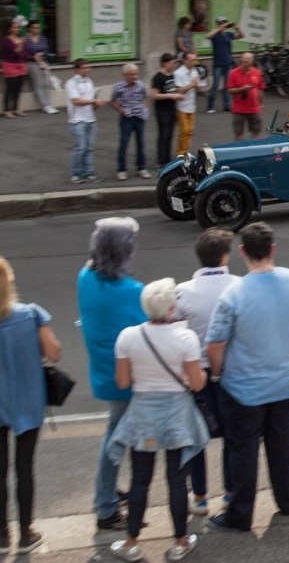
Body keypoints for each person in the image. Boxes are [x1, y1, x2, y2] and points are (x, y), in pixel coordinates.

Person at [205, 222, 289, 532]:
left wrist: (218, 374)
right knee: (282, 446)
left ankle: (240, 514)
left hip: (244, 388)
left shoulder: (233, 294)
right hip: (287, 382)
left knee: (243, 451)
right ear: (273, 248)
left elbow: (215, 344)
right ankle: (288, 502)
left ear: (242, 252)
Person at [107, 278, 208, 562]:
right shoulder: (185, 338)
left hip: (143, 416)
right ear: (171, 307)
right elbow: (198, 383)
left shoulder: (127, 336)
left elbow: (123, 380)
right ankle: (179, 541)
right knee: (177, 480)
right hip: (176, 415)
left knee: (140, 479)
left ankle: (131, 543)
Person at [77, 217, 147, 531]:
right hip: (128, 376)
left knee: (114, 433)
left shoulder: (85, 277)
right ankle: (105, 507)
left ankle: (107, 492)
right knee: (118, 441)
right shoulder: (132, 291)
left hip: (103, 370)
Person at [174, 229, 240, 517]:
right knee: (232, 436)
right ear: (225, 255)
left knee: (197, 435)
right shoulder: (240, 286)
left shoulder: (183, 291)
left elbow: (172, 330)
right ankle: (229, 492)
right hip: (232, 371)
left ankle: (199, 496)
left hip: (196, 375)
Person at [0, 257, 62, 555]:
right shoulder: (31, 314)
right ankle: (26, 534)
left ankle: (1, 535)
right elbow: (55, 353)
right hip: (27, 400)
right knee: (25, 468)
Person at [66, 59, 105, 183]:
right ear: (77, 70)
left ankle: (88, 172)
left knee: (89, 148)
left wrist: (97, 104)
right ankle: (76, 174)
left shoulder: (89, 82)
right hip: (77, 120)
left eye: (89, 67)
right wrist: (93, 101)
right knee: (80, 148)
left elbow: (91, 102)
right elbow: (76, 101)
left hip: (90, 119)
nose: (88, 69)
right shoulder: (71, 83)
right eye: (85, 67)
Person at [110, 64, 150, 181]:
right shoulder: (119, 87)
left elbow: (147, 97)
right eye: (132, 74)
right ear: (125, 75)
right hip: (127, 118)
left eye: (136, 74)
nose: (135, 76)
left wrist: (145, 109)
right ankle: (121, 169)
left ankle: (141, 168)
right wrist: (120, 110)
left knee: (141, 144)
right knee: (124, 143)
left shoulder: (141, 85)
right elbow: (112, 101)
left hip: (140, 117)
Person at [151, 53, 183, 168]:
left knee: (170, 134)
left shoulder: (172, 76)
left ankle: (168, 158)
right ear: (165, 63)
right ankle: (161, 159)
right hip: (162, 110)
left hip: (172, 109)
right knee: (163, 134)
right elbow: (154, 95)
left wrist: (178, 95)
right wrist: (171, 96)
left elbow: (176, 89)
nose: (174, 65)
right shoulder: (158, 77)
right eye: (172, 63)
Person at [173, 53, 206, 158]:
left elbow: (198, 87)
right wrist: (192, 84)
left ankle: (185, 151)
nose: (194, 62)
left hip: (191, 105)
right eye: (192, 60)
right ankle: (180, 153)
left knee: (190, 131)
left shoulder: (194, 71)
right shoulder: (179, 73)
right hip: (182, 106)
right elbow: (179, 90)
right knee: (184, 130)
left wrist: (200, 86)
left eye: (195, 60)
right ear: (185, 60)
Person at [205, 17, 241, 114]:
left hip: (228, 63)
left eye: (224, 22)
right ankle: (210, 106)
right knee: (215, 86)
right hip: (218, 63)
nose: (223, 24)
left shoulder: (229, 34)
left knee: (227, 86)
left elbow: (241, 36)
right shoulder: (215, 34)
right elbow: (207, 36)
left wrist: (237, 28)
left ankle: (227, 105)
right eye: (221, 23)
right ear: (217, 24)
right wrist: (219, 29)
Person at [227, 52, 265, 141]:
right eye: (243, 60)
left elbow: (260, 90)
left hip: (254, 109)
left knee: (256, 132)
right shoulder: (233, 73)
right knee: (238, 133)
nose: (244, 62)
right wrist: (242, 89)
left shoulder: (257, 73)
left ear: (252, 61)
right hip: (238, 109)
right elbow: (230, 90)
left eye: (247, 60)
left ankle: (255, 151)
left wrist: (261, 105)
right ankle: (238, 152)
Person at [24, 21, 56, 114]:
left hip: (43, 62)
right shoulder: (26, 38)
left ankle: (49, 104)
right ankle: (45, 105)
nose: (37, 30)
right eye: (34, 28)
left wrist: (41, 53)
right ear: (30, 28)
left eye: (38, 28)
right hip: (32, 63)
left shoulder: (42, 37)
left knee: (46, 84)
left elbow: (46, 48)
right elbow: (25, 51)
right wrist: (33, 55)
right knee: (38, 84)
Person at [2, 17, 28, 118]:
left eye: (18, 27)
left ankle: (16, 108)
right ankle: (7, 110)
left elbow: (25, 54)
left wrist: (20, 51)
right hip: (10, 64)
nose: (16, 29)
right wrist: (20, 46)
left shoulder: (21, 39)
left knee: (18, 88)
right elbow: (14, 52)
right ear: (10, 29)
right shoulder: (6, 40)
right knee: (10, 88)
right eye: (14, 27)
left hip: (20, 65)